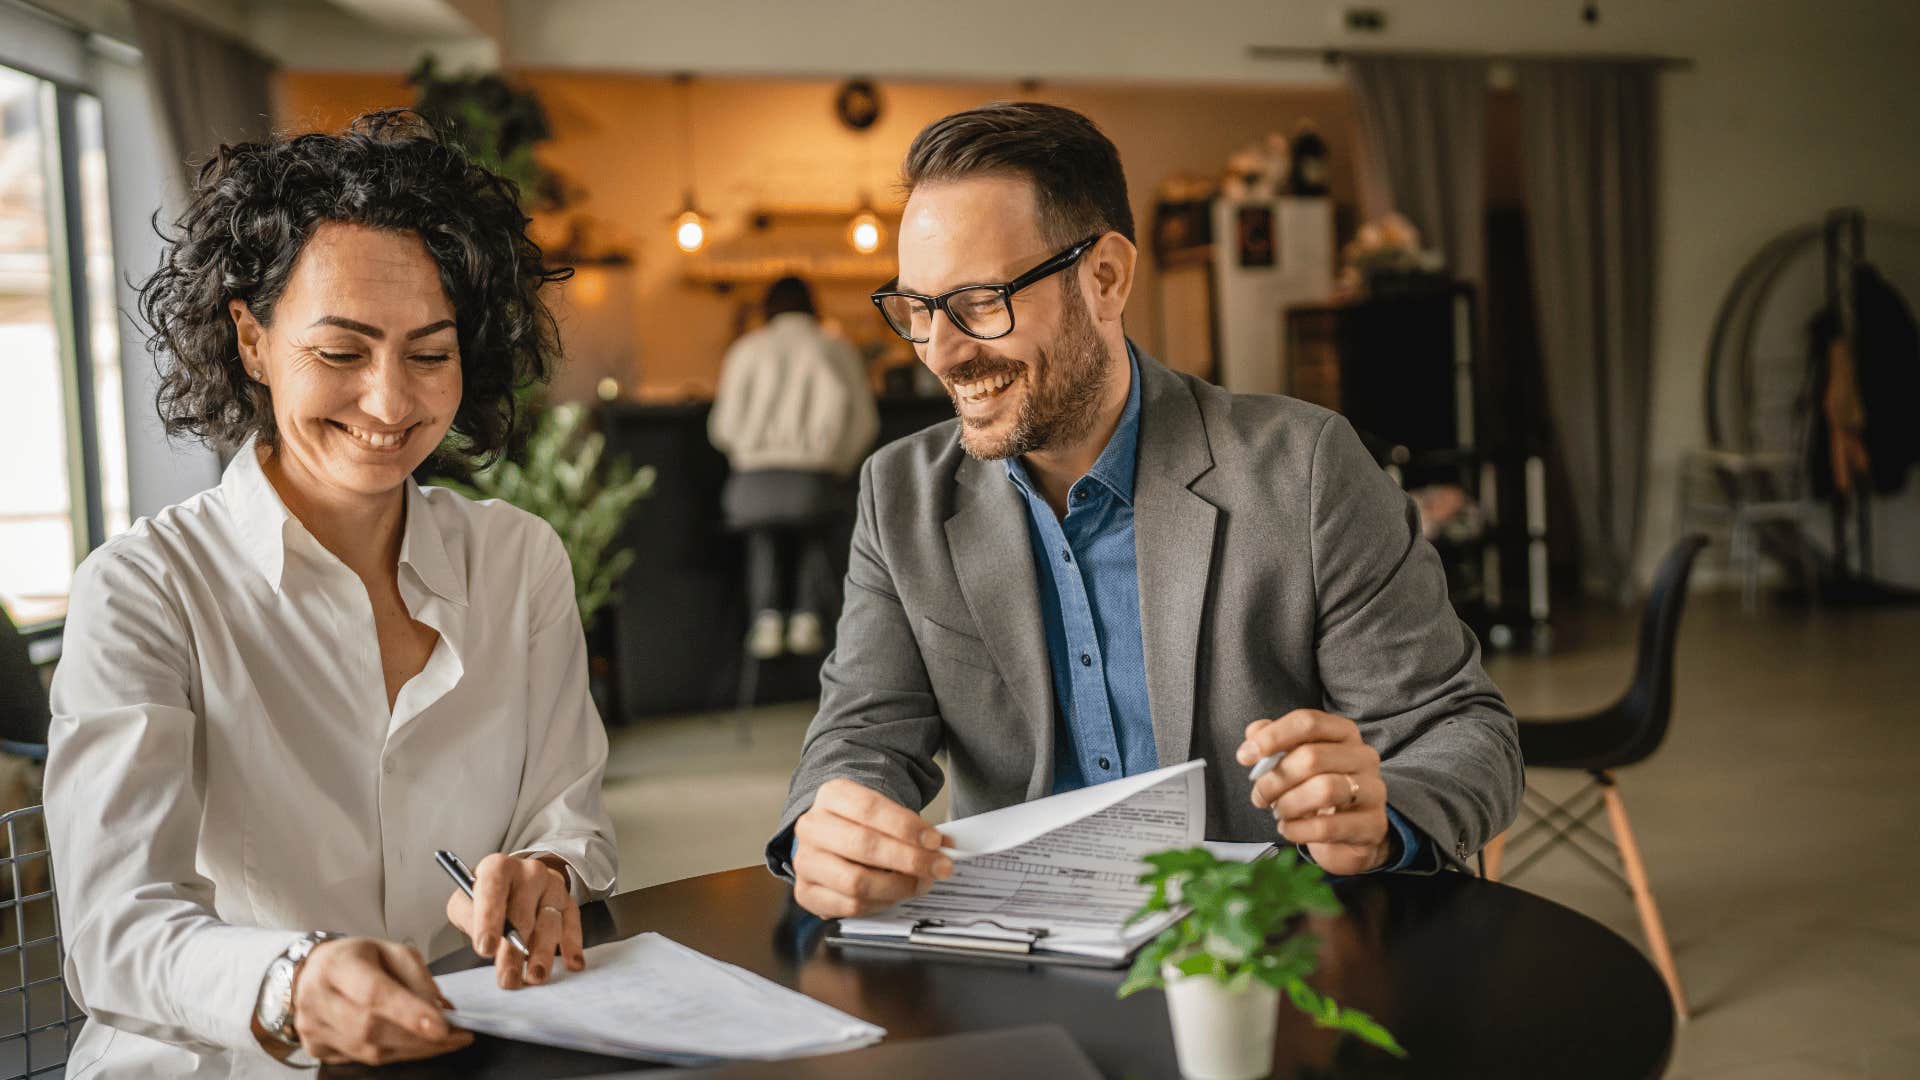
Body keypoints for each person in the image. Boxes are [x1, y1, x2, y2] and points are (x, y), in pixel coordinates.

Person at [769, 103, 1523, 919]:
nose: (941, 354)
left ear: (1105, 278)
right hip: (1021, 960)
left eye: (980, 302)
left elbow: (1463, 733)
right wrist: (826, 823)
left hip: (1262, 963)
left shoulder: (1304, 468)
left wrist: (1385, 817)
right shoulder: (899, 495)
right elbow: (861, 735)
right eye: (918, 310)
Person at [44, 111, 616, 1075]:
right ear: (252, 340)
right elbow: (115, 932)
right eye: (342, 353)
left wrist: (548, 869)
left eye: (429, 354)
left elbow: (568, 815)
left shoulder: (518, 561)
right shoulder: (144, 590)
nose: (391, 404)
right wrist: (294, 984)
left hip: (457, 1042)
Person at [709, 276, 879, 659]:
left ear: (767, 306)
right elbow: (865, 423)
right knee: (812, 524)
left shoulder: (746, 350)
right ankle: (807, 616)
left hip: (750, 488)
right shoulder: (835, 348)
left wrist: (751, 453)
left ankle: (766, 617)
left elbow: (722, 429)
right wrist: (835, 463)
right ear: (812, 304)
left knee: (766, 530)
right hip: (814, 483)